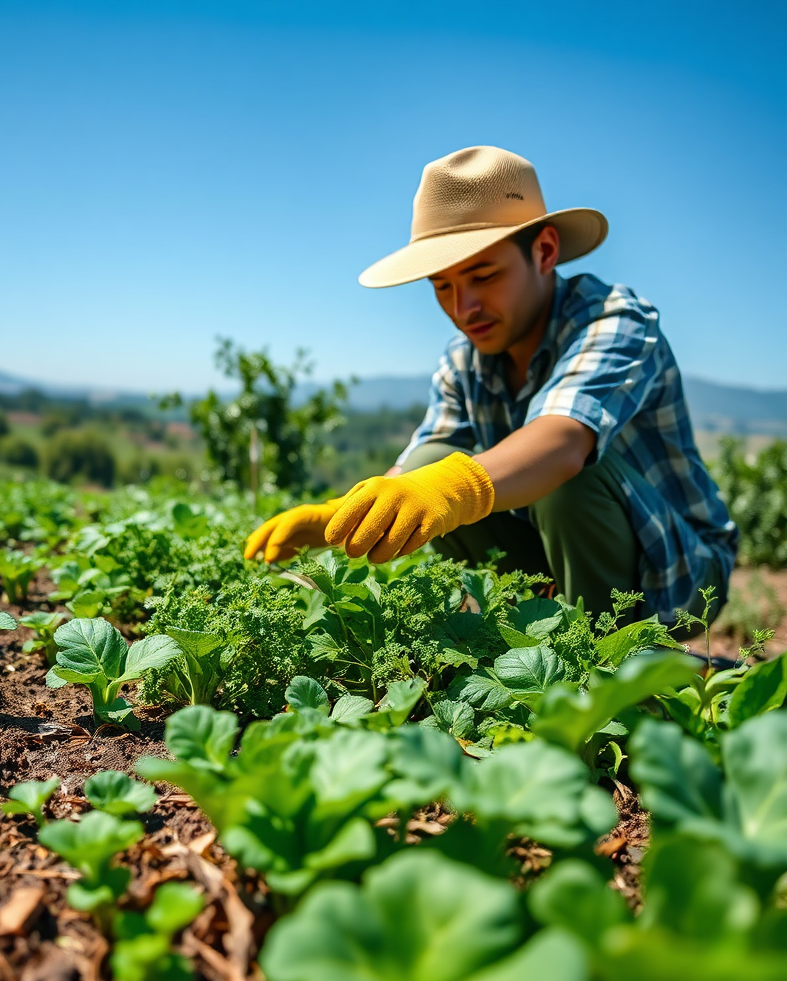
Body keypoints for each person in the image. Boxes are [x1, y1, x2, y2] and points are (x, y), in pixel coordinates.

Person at [243, 145, 738, 625]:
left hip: (677, 571)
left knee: (569, 478)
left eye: (483, 275)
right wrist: (338, 518)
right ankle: (535, 638)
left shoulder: (616, 320)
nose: (463, 309)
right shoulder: (464, 361)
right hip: (552, 551)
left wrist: (449, 488)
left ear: (544, 251)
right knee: (427, 465)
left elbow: (563, 441)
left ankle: (609, 668)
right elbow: (422, 467)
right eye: (443, 286)